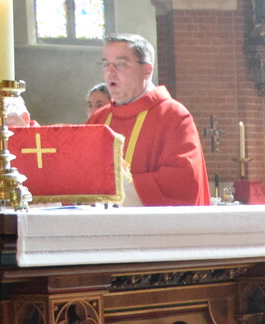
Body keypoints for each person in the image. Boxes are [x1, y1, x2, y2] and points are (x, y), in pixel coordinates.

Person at [88, 34, 211, 206]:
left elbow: (182, 183)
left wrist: (115, 189)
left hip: (151, 223)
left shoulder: (173, 116)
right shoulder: (98, 119)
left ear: (147, 70)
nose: (110, 72)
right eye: (106, 64)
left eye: (120, 64)